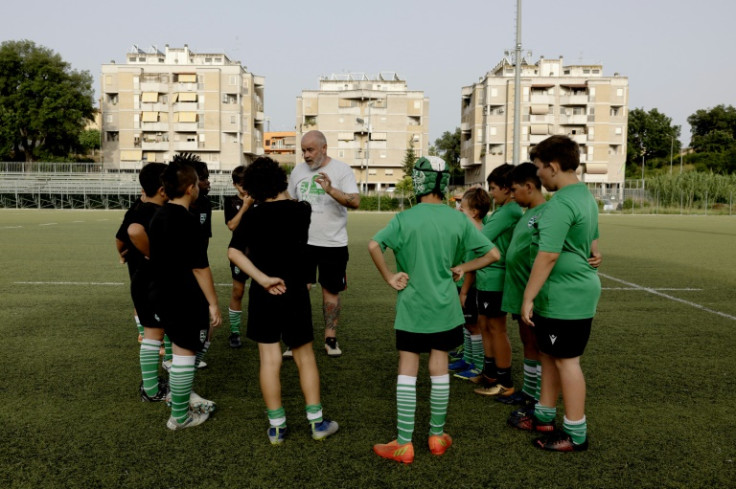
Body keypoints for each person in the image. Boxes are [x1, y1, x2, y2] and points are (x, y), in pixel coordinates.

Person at [368, 156, 499, 464]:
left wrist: (390, 276)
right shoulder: (458, 220)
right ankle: (437, 437)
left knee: (407, 370)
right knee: (439, 369)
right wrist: (463, 267)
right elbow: (493, 253)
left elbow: (374, 246)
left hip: (413, 308)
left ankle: (403, 443)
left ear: (419, 181)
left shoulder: (404, 219)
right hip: (445, 307)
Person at [228, 157, 339, 445]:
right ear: (281, 180)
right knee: (305, 357)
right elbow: (289, 198)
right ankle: (317, 423)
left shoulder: (252, 215)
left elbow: (234, 253)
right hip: (294, 293)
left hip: (264, 294)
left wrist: (263, 279)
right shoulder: (301, 211)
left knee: (269, 360)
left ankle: (277, 427)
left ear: (252, 188)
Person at [508, 135, 601, 452]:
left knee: (567, 362)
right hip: (565, 293)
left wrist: (527, 297)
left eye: (539, 169)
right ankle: (544, 416)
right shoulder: (582, 195)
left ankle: (576, 434)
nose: (538, 176)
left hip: (566, 296)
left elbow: (547, 255)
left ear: (553, 166)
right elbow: (593, 240)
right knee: (550, 356)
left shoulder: (561, 203)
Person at [148, 157, 222, 430]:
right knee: (185, 351)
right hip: (181, 294)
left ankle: (178, 396)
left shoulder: (159, 215)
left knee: (189, 345)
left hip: (161, 292)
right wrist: (213, 303)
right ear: (191, 188)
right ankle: (179, 415)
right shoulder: (188, 220)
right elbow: (200, 267)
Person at [286, 130, 360, 357]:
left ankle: (330, 339)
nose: (306, 155)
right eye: (303, 150)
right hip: (302, 243)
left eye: (310, 150)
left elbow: (355, 201)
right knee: (299, 290)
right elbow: (289, 199)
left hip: (333, 243)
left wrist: (330, 190)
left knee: (331, 291)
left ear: (324, 148)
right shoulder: (298, 170)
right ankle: (295, 339)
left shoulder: (341, 170)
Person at [114, 163, 169, 401]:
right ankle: (151, 390)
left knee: (152, 332)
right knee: (155, 334)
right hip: (154, 282)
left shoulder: (137, 209)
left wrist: (125, 253)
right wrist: (153, 255)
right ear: (163, 190)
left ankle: (152, 385)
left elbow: (120, 239)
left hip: (139, 280)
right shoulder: (159, 213)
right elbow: (135, 232)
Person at [498, 162, 549, 411]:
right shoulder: (527, 212)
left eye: (515, 189)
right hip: (519, 291)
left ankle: (539, 397)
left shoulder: (546, 213)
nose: (512, 195)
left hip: (534, 294)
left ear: (529, 187)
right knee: (527, 343)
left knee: (538, 346)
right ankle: (529, 392)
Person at [473, 164, 523, 399]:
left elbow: (480, 238)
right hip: (487, 276)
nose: (491, 193)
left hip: (496, 277)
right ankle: (490, 373)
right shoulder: (504, 210)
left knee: (497, 329)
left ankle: (504, 381)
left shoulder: (509, 211)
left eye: (493, 188)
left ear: (506, 188)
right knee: (485, 324)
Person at [451, 188, 491, 381]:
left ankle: (477, 365)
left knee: (473, 326)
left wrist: (464, 292)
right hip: (463, 286)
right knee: (467, 324)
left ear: (474, 212)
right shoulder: (468, 230)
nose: (459, 209)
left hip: (470, 288)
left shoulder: (477, 233)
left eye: (463, 207)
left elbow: (472, 269)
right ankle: (468, 359)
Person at [224, 165, 254, 349]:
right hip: (239, 253)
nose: (245, 187)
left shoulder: (261, 199)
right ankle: (234, 332)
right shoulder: (231, 201)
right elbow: (232, 226)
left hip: (260, 254)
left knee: (266, 292)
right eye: (242, 184)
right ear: (235, 184)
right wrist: (245, 206)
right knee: (238, 291)